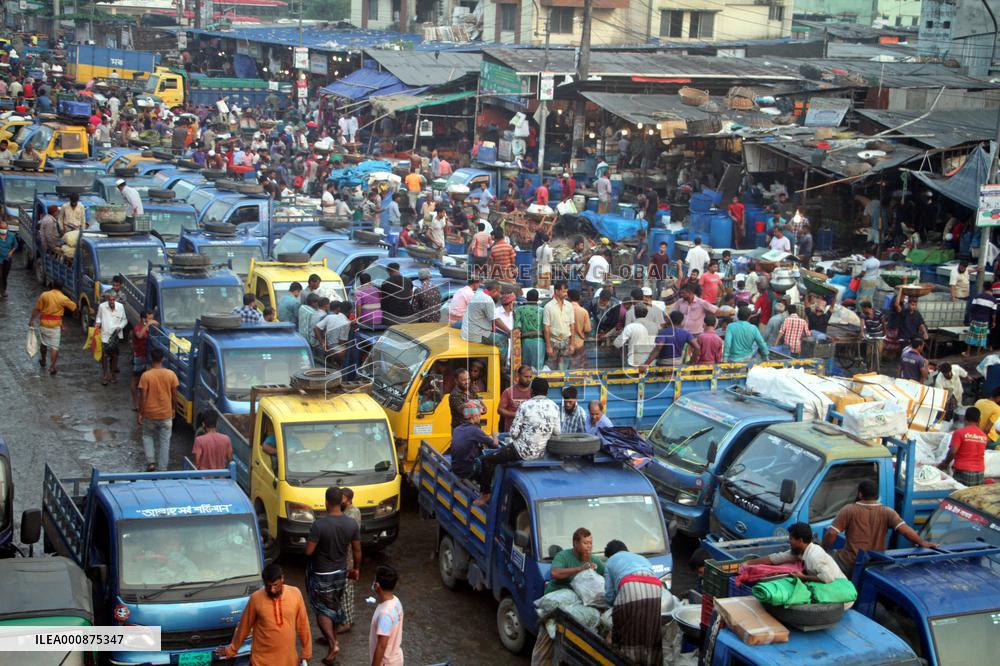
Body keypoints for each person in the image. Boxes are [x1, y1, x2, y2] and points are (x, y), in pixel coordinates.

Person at [822, 479, 935, 575]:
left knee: (826, 561)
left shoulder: (849, 509)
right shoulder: (888, 512)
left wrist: (823, 550)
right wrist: (922, 542)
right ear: (876, 495)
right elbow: (905, 531)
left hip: (850, 562)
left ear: (860, 494)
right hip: (875, 563)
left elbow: (832, 533)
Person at [476, 378, 559, 504]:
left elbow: (514, 434)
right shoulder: (555, 407)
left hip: (522, 452)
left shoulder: (525, 406)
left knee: (488, 461)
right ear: (547, 392)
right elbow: (557, 432)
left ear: (531, 391)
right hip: (542, 453)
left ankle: (486, 493)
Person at [304, 487, 362, 665]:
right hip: (341, 572)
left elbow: (309, 551)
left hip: (322, 573)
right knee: (334, 606)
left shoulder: (319, 525)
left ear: (327, 502)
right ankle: (332, 641)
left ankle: (333, 642)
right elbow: (358, 550)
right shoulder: (351, 523)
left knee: (322, 610)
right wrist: (356, 569)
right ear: (342, 502)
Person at [218, 563, 312, 666]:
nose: (272, 590)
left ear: (282, 579)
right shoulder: (256, 598)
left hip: (288, 660)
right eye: (268, 586)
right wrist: (232, 650)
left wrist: (306, 650)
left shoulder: (295, 593)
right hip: (260, 661)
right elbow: (244, 626)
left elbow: (303, 624)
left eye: (275, 585)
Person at [603, 540, 662, 666]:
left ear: (610, 554)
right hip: (656, 589)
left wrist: (612, 606)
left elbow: (609, 595)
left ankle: (628, 661)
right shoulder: (641, 558)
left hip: (630, 587)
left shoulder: (610, 561)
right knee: (650, 628)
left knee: (626, 630)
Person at [745, 522, 847, 585]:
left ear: (800, 540)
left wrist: (803, 577)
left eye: (791, 539)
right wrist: (748, 563)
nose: (789, 541)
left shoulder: (814, 556)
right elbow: (775, 558)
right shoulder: (798, 551)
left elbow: (827, 578)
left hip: (837, 592)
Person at [137, 348, 179, 471]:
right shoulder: (171, 375)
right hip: (165, 414)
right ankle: (163, 468)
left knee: (147, 435)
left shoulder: (146, 376)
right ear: (163, 359)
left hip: (149, 414)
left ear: (151, 359)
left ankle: (151, 462)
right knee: (165, 441)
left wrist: (141, 413)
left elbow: (142, 397)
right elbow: (174, 395)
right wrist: (173, 409)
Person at [28, 278, 77, 375]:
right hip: (55, 326)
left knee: (43, 343)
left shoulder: (44, 295)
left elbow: (37, 309)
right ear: (62, 287)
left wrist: (31, 320)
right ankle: (52, 367)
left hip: (44, 323)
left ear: (53, 285)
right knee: (55, 347)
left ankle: (43, 360)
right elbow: (74, 307)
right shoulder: (63, 298)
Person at [547, 527, 605, 594]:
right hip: (558, 595)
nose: (589, 546)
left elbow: (606, 572)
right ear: (575, 543)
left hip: (579, 597)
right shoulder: (563, 556)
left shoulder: (593, 559)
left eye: (590, 543)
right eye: (585, 543)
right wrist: (581, 569)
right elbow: (555, 573)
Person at [939, 407, 988, 486]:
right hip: (980, 473)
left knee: (957, 495)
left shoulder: (959, 432)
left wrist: (944, 464)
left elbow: (952, 452)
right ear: (979, 420)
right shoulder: (984, 436)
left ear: (965, 418)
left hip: (963, 472)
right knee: (973, 496)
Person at [451, 402, 497, 480]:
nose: (480, 418)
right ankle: (486, 489)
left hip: (455, 468)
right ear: (474, 417)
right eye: (479, 416)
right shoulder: (475, 430)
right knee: (490, 461)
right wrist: (495, 435)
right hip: (467, 471)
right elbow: (495, 444)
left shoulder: (457, 429)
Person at [369, 565, 404, 666]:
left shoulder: (385, 614)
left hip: (386, 663)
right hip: (396, 658)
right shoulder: (396, 601)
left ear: (377, 585)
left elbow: (381, 646)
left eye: (374, 579)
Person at [95, 290, 128, 385]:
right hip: (105, 335)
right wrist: (98, 323)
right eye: (110, 300)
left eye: (113, 299)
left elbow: (124, 320)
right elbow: (98, 318)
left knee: (115, 356)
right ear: (107, 299)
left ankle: (113, 375)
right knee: (104, 356)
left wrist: (120, 327)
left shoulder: (120, 307)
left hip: (116, 335)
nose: (112, 301)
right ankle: (105, 375)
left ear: (116, 299)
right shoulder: (102, 307)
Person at [544, 281, 576, 372]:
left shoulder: (569, 306)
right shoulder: (548, 307)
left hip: (566, 341)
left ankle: (564, 385)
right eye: (563, 291)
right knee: (551, 367)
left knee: (564, 368)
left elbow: (572, 326)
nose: (566, 294)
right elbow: (546, 328)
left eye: (566, 291)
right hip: (553, 341)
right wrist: (548, 346)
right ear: (557, 291)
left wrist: (572, 344)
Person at [615, 303, 655, 368]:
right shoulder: (654, 326)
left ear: (635, 314)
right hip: (650, 363)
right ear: (646, 313)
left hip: (634, 362)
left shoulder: (631, 327)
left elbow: (617, 343)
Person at [514, 289, 546, 371]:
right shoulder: (542, 310)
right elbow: (546, 327)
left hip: (525, 341)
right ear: (538, 299)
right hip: (539, 341)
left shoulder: (520, 309)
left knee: (525, 368)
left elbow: (515, 326)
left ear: (526, 298)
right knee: (538, 369)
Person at [963, 284, 996, 357]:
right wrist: (993, 322)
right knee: (982, 337)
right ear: (991, 289)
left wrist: (971, 317)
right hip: (985, 320)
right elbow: (993, 313)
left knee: (971, 335)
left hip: (975, 319)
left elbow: (972, 308)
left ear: (984, 288)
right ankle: (978, 353)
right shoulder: (993, 300)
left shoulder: (977, 296)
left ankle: (968, 353)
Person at [130, 310, 155, 408]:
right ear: (143, 319)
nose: (150, 321)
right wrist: (147, 325)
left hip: (147, 357)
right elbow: (139, 335)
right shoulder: (138, 327)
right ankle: (135, 402)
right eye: (149, 319)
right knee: (136, 380)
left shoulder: (149, 327)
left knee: (145, 380)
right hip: (139, 356)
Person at [499, 364, 533, 431]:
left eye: (530, 377)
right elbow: (500, 409)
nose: (528, 379)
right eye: (526, 376)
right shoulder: (508, 392)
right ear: (518, 375)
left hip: (529, 432)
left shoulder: (533, 392)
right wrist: (516, 414)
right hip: (512, 431)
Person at [568, 289, 591, 369]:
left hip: (566, 343)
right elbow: (588, 329)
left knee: (565, 368)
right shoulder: (584, 311)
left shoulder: (564, 309)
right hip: (579, 343)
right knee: (579, 369)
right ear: (579, 298)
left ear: (569, 297)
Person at [860, 300, 886, 373]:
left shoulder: (878, 313)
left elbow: (884, 324)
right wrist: (862, 332)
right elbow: (862, 323)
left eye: (863, 308)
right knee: (869, 355)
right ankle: (869, 370)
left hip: (879, 335)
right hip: (870, 336)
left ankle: (877, 370)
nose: (862, 310)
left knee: (878, 354)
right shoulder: (863, 315)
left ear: (867, 308)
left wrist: (885, 333)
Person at [0, 222, 15, 297]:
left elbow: (15, 245)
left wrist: (11, 251)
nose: (3, 230)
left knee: (4, 275)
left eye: (4, 228)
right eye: (2, 229)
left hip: (7, 259)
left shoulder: (11, 236)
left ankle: (3, 290)